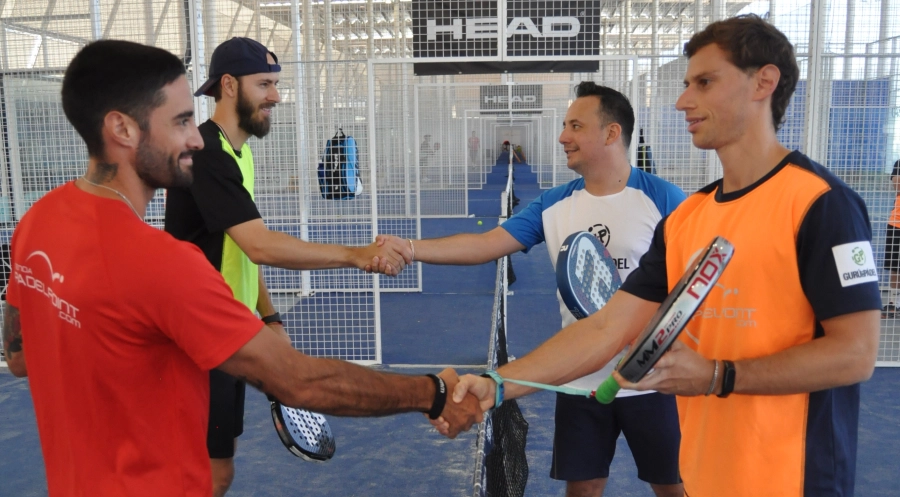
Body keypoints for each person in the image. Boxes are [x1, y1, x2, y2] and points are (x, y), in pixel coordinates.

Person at [1, 39, 480, 497]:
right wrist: (433, 392)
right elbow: (300, 381)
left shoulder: (36, 223)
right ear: (122, 129)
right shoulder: (164, 264)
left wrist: (262, 319)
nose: (195, 136)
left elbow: (19, 357)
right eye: (182, 120)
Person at [441, 14, 880, 497]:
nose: (682, 101)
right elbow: (608, 327)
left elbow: (855, 354)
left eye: (704, 82)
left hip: (792, 480)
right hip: (705, 474)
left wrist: (718, 375)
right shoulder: (689, 218)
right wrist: (497, 384)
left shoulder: (822, 203)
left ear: (764, 82)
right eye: (687, 83)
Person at [375, 83, 686, 497]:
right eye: (563, 126)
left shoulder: (666, 200)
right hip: (575, 379)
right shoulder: (552, 204)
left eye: (575, 126)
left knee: (672, 487)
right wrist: (411, 249)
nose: (562, 137)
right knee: (585, 489)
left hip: (654, 382)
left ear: (612, 134)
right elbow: (486, 245)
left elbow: (693, 288)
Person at [163, 37, 411, 496]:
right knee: (197, 473)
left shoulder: (239, 152)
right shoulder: (208, 154)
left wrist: (269, 316)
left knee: (216, 471)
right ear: (230, 85)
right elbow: (259, 245)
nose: (276, 96)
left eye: (276, 84)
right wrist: (355, 255)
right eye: (265, 84)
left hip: (226, 332)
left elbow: (238, 248)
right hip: (193, 341)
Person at [883, 158, 900, 317]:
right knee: (895, 266)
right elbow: (897, 184)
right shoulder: (899, 162)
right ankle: (893, 303)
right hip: (897, 223)